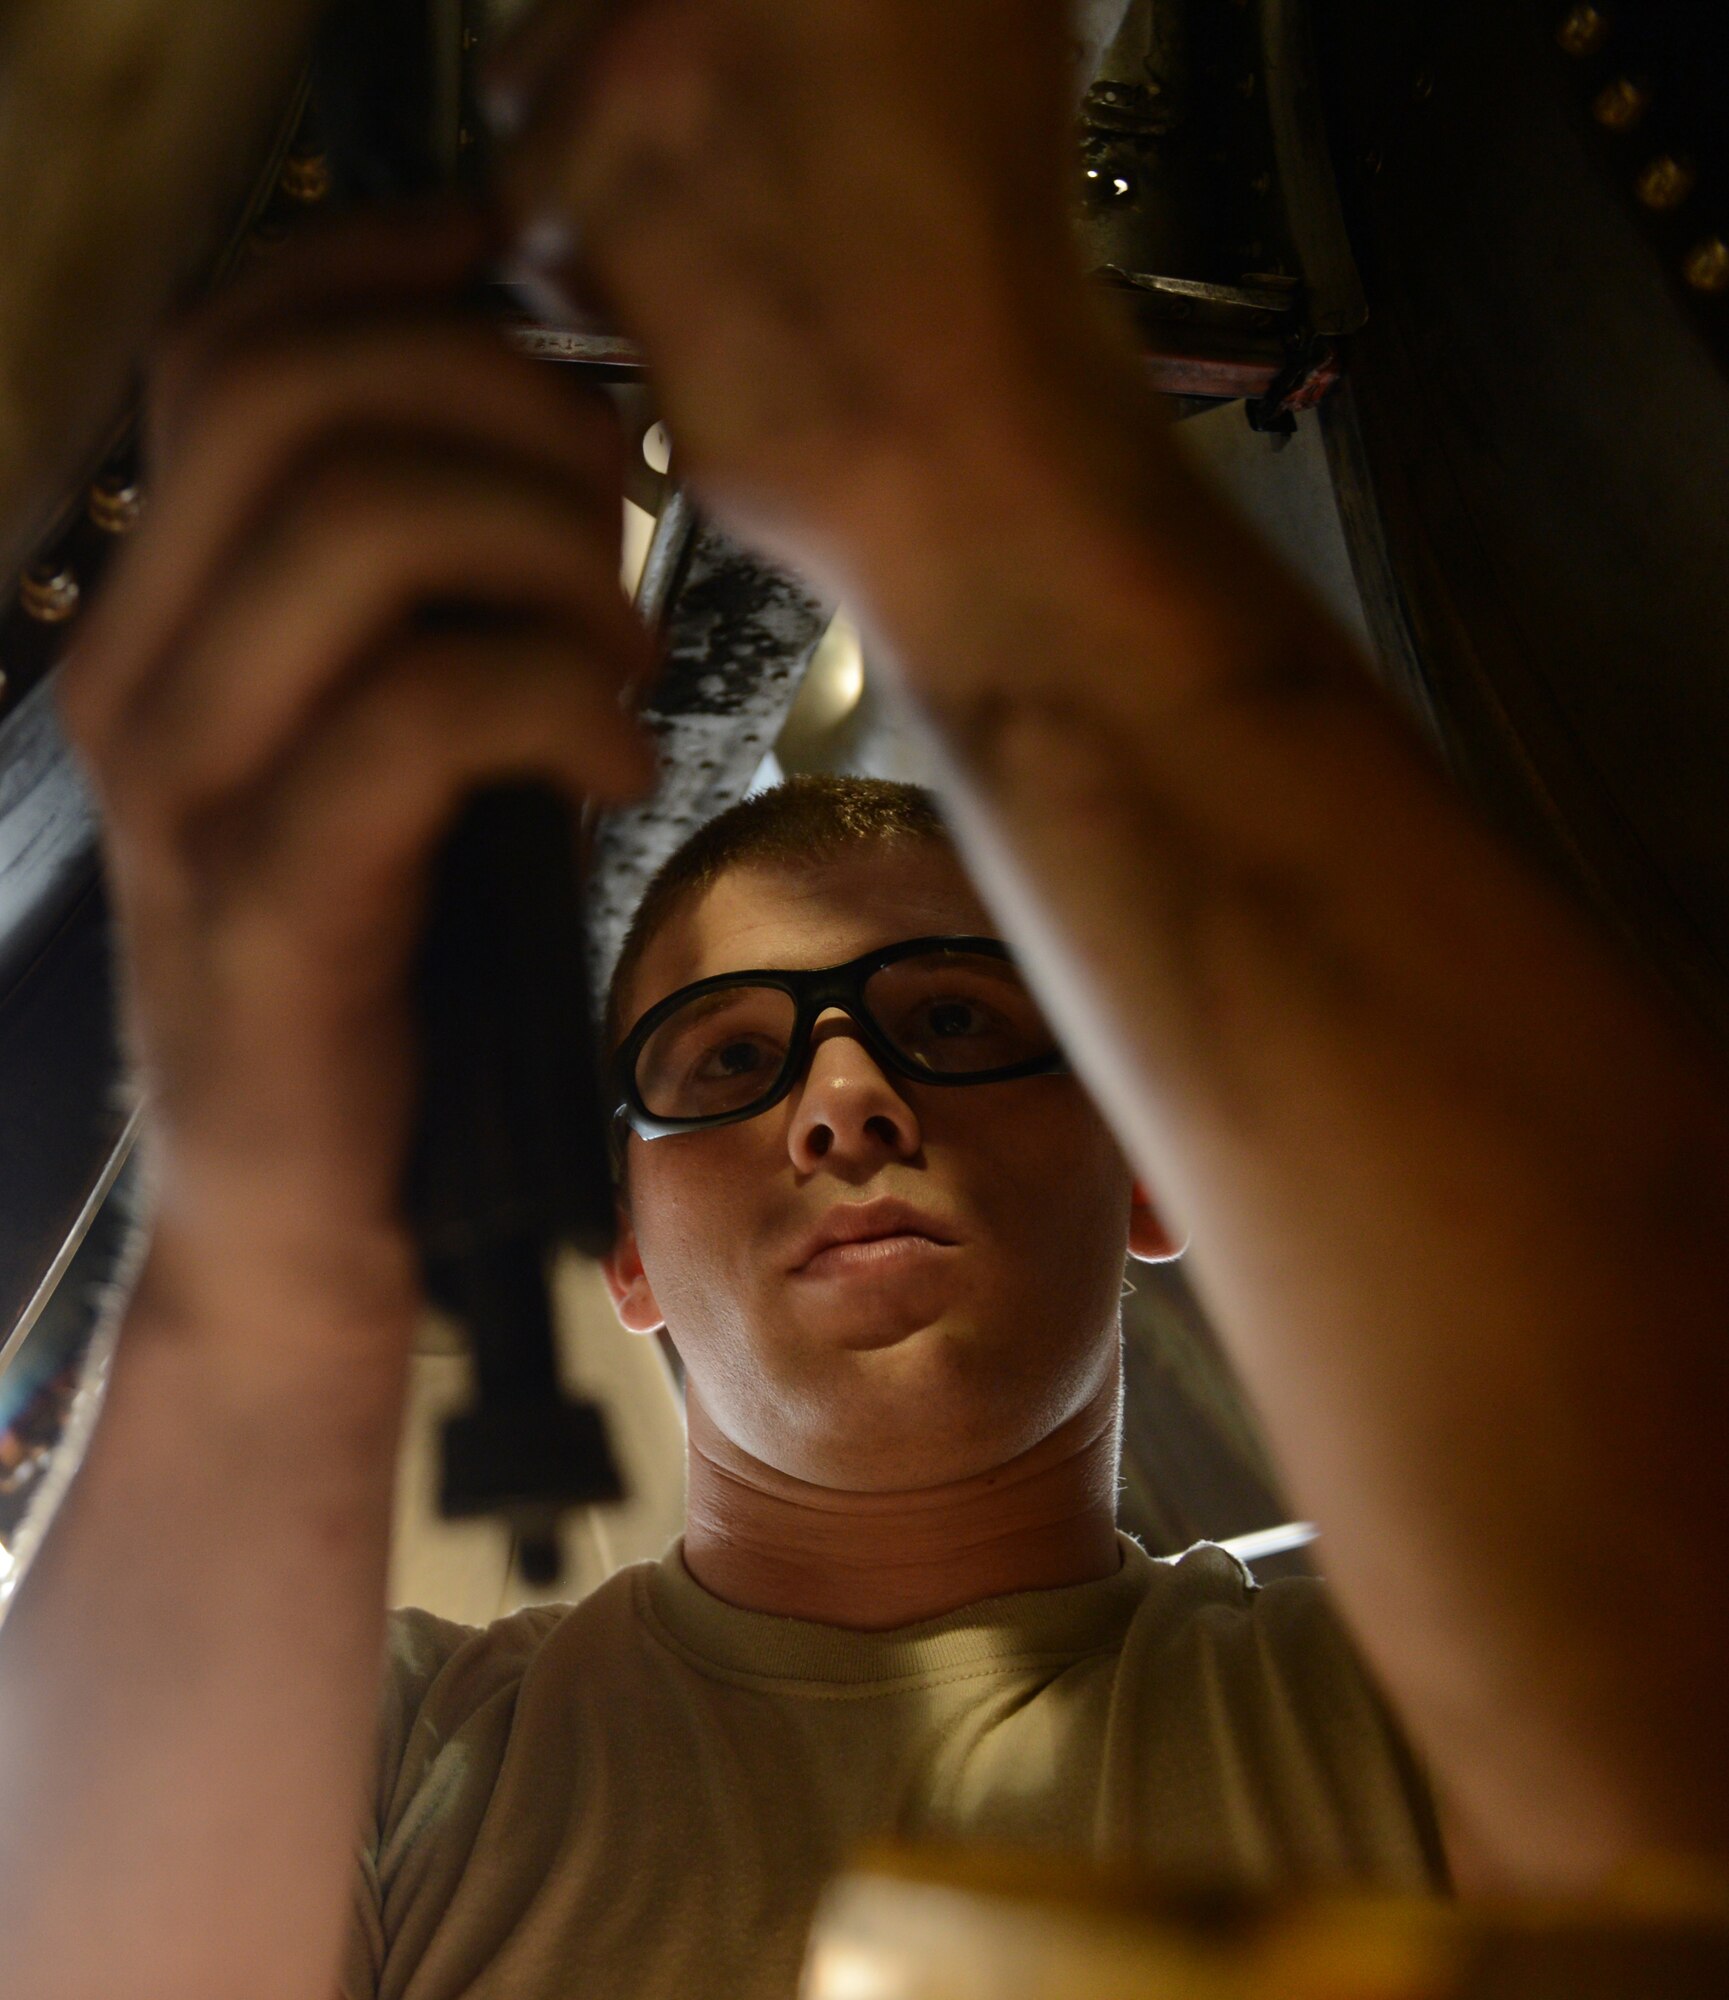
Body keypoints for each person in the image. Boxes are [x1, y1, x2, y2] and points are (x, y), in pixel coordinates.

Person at [3, 3, 1728, 1998]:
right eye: (728, 1061)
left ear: (1156, 1176)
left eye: (959, 1022)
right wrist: (272, 1223)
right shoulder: (401, 1756)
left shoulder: (1398, 1680)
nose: (847, 1103)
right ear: (625, 1251)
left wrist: (969, 445)